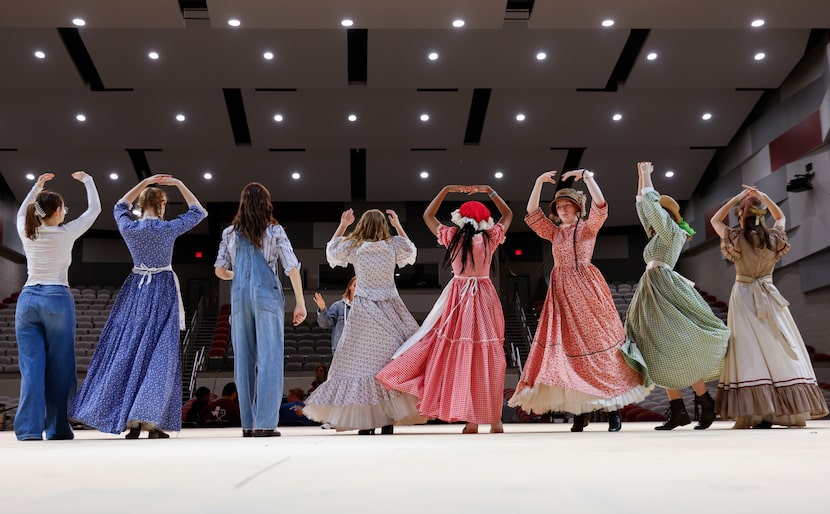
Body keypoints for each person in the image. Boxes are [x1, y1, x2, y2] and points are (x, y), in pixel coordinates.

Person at [507, 170, 652, 432]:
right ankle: (581, 412)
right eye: (559, 206)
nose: (562, 210)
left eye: (567, 205)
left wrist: (588, 177)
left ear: (576, 208)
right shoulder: (554, 233)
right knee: (570, 352)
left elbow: (600, 205)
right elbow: (531, 212)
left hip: (588, 289)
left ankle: (612, 410)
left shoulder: (587, 228)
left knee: (603, 348)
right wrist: (538, 182)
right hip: (562, 293)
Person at [71, 175, 207, 439]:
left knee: (132, 350)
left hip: (136, 290)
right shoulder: (168, 229)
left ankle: (132, 422)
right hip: (162, 289)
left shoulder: (130, 228)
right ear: (162, 206)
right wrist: (179, 183)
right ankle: (148, 419)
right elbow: (199, 211)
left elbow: (119, 205)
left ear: (140, 205)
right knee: (160, 355)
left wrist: (145, 182)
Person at [377, 185, 513, 434]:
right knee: (489, 357)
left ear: (460, 219)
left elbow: (428, 216)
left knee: (463, 356)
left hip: (459, 297)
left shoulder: (453, 236)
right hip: (483, 296)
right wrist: (490, 191)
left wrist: (446, 191)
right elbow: (508, 215)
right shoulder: (490, 236)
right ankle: (494, 418)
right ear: (484, 221)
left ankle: (473, 418)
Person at [621, 161, 730, 430]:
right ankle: (681, 408)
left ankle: (703, 401)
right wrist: (639, 177)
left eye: (658, 211)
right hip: (653, 291)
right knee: (659, 351)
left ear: (666, 214)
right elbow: (643, 207)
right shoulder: (660, 235)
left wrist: (647, 175)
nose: (653, 215)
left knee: (675, 347)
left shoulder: (673, 232)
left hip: (664, 290)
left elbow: (649, 205)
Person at [710, 186, 829, 428]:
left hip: (744, 295)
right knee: (777, 346)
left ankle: (757, 411)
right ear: (761, 213)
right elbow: (782, 217)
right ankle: (780, 411)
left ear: (742, 214)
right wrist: (763, 196)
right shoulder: (774, 237)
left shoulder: (736, 237)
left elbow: (715, 220)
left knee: (749, 351)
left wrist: (736, 196)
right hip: (769, 292)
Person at [303, 209, 426, 434]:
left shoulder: (356, 247)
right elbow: (410, 250)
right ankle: (387, 420)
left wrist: (342, 225)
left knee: (361, 364)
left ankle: (365, 423)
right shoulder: (392, 246)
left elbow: (332, 251)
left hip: (364, 311)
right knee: (388, 364)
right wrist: (398, 225)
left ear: (361, 225)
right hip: (390, 309)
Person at [214, 182, 307, 438]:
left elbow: (220, 271)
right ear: (266, 204)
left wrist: (241, 275)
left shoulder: (229, 233)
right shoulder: (275, 230)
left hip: (240, 296)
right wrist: (300, 302)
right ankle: (264, 424)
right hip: (267, 295)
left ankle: (247, 424)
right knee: (270, 358)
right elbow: (291, 267)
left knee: (244, 360)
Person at [14, 171, 101, 441]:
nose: (66, 212)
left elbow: (23, 210)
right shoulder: (66, 233)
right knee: (61, 367)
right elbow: (94, 210)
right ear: (58, 211)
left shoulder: (26, 230)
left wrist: (37, 187)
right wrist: (88, 181)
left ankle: (28, 430)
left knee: (31, 367)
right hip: (57, 298)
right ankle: (58, 428)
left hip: (27, 299)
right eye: (64, 208)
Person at [313, 276, 356, 352]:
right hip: (342, 351)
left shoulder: (367, 307)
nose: (357, 289)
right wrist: (322, 309)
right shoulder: (338, 306)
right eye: (355, 285)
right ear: (349, 287)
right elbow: (325, 324)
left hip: (362, 351)